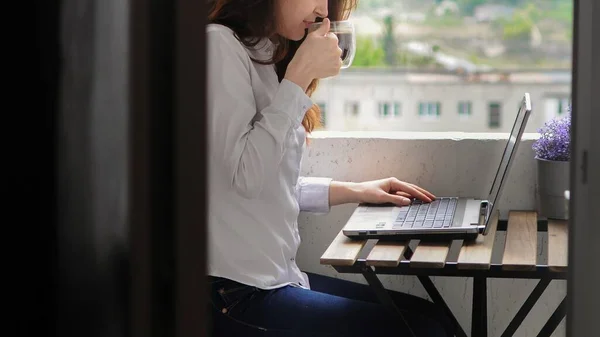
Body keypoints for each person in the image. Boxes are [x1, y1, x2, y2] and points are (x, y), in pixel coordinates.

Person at [206, 0, 455, 336]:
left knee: (432, 318)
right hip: (236, 293)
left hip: (278, 278)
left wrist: (358, 191)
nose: (324, 9)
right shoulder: (219, 46)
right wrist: (298, 78)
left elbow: (270, 181)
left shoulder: (266, 55)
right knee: (422, 330)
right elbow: (245, 177)